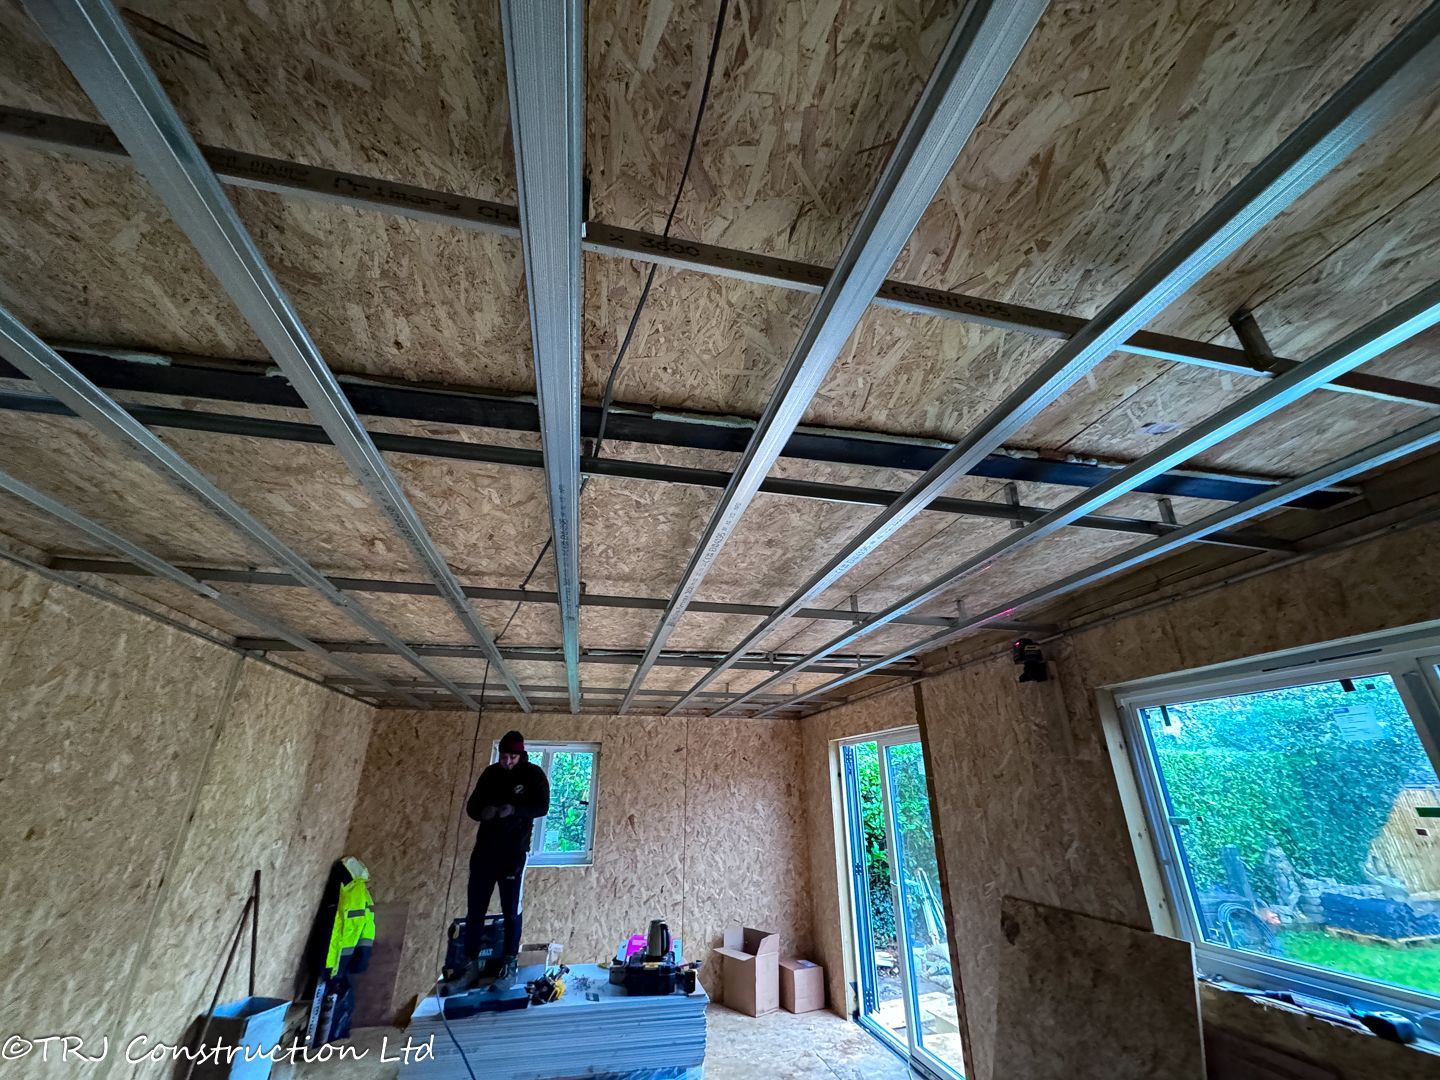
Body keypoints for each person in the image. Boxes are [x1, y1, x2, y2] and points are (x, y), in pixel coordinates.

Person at [444, 730, 549, 993]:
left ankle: (508, 964)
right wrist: (483, 812)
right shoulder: (490, 774)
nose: (508, 761)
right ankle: (471, 964)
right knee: (475, 908)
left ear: (521, 755)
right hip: (485, 852)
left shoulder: (533, 775)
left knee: (510, 909)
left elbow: (542, 807)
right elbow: (472, 808)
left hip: (513, 853)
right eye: (504, 756)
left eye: (513, 757)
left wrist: (515, 810)